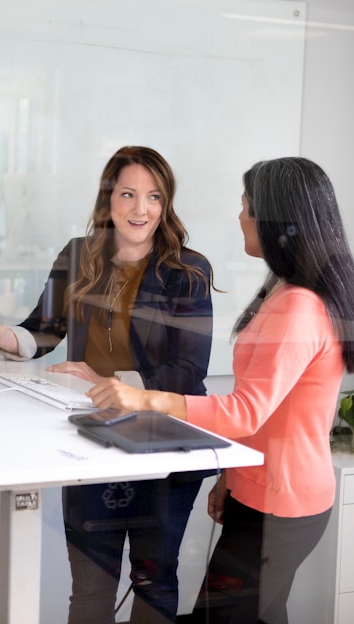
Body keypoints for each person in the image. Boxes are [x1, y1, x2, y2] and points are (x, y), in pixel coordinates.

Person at [0, 145, 216, 623]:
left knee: (155, 582)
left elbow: (188, 371)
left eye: (153, 197)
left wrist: (106, 379)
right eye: (129, 194)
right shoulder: (78, 255)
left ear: (166, 203)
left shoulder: (187, 271)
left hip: (164, 441)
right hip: (94, 439)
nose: (141, 209)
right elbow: (44, 331)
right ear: (108, 199)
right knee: (91, 589)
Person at [86, 156, 354, 624]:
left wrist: (143, 396)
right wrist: (232, 475)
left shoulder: (299, 307)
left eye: (247, 205)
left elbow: (246, 410)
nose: (240, 215)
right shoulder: (283, 288)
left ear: (276, 218)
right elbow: (269, 405)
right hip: (261, 490)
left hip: (282, 503)